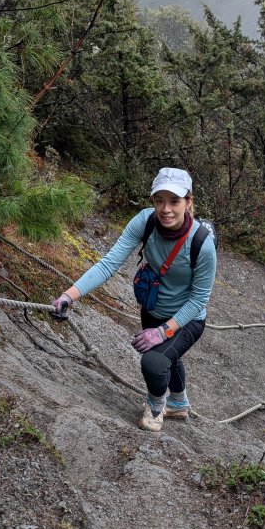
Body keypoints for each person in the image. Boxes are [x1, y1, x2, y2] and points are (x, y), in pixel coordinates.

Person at [51, 167, 216, 432]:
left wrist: (162, 332)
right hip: (152, 308)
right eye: (159, 200)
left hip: (187, 319)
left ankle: (156, 405)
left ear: (188, 202)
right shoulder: (145, 222)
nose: (166, 209)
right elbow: (109, 264)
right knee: (168, 356)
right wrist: (68, 296)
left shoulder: (202, 244)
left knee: (154, 362)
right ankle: (179, 403)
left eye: (174, 201)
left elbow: (198, 300)